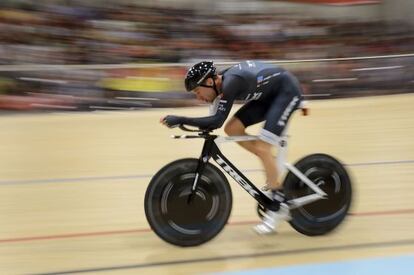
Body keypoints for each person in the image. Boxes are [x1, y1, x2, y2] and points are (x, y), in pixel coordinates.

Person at [160, 60, 304, 234]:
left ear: (210, 81)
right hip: (268, 95)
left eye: (197, 91)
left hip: (285, 92)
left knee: (263, 147)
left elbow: (216, 121)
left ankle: (278, 207)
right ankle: (269, 162)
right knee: (233, 128)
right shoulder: (218, 86)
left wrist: (181, 119)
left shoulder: (231, 82)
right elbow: (213, 123)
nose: (198, 97)